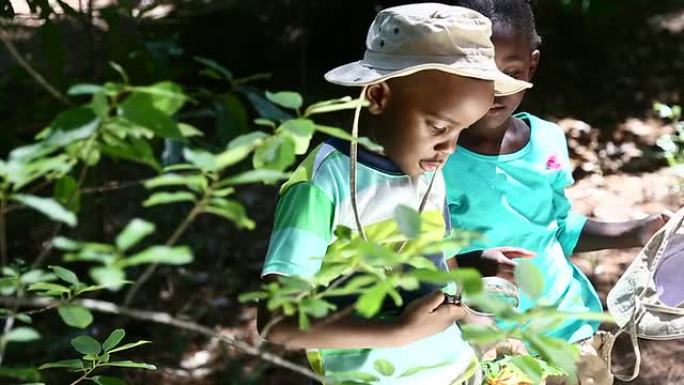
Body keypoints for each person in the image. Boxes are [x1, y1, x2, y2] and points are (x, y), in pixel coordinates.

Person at [256, 3, 532, 384]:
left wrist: (480, 323)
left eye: (459, 132)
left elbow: (439, 264)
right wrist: (399, 332)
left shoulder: (429, 171)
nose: (448, 148)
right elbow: (277, 323)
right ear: (379, 96)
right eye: (438, 126)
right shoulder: (323, 185)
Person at [443, 1, 670, 384]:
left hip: (566, 325)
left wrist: (637, 232)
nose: (496, 89)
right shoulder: (436, 158)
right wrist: (471, 264)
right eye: (478, 73)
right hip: (486, 337)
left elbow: (559, 228)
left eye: (510, 72)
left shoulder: (547, 140)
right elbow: (421, 257)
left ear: (532, 65)